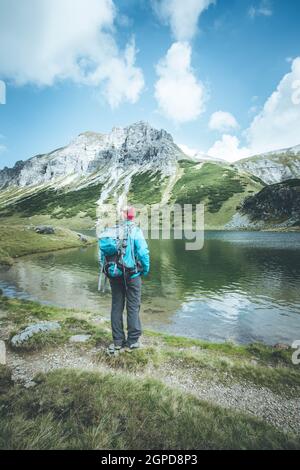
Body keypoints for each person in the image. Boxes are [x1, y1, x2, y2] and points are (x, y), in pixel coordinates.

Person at [100, 206, 150, 354]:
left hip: (114, 275)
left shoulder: (110, 231)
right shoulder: (135, 231)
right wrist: (145, 269)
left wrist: (109, 271)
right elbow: (143, 252)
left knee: (116, 306)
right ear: (132, 217)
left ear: (122, 216)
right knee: (133, 306)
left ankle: (117, 341)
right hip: (132, 275)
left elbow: (101, 256)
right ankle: (132, 341)